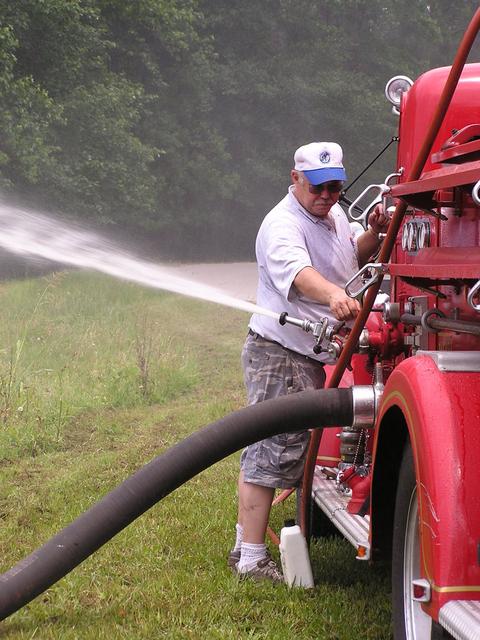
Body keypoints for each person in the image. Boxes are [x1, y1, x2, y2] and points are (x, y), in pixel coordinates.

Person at [228, 141, 390, 582]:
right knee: (271, 451)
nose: (327, 195)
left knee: (283, 449)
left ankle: (245, 545)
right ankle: (251, 560)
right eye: (317, 186)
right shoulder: (280, 225)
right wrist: (335, 295)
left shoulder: (335, 213)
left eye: (335, 186)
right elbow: (299, 276)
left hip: (307, 355)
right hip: (280, 353)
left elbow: (353, 255)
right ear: (295, 178)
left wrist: (374, 232)